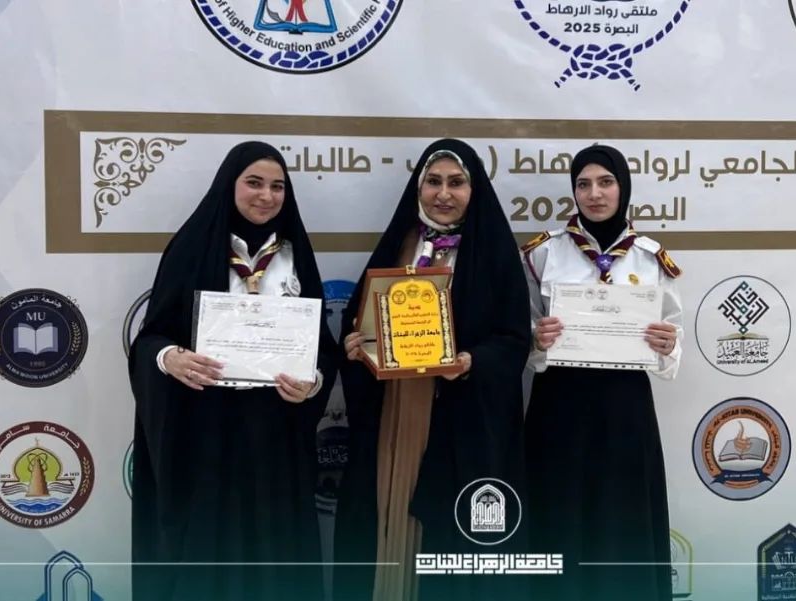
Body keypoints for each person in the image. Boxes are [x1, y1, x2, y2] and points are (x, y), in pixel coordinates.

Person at [128, 141, 338, 601]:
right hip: (207, 428)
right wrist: (170, 358)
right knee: (208, 546)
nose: (266, 196)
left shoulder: (295, 255)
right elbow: (150, 338)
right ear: (230, 185)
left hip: (276, 430)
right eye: (254, 183)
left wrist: (313, 382)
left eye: (278, 187)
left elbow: (322, 347)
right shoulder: (192, 248)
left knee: (276, 545)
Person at [334, 139, 530, 601]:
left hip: (462, 419)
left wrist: (472, 362)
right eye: (434, 182)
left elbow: (513, 339)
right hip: (397, 415)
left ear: (473, 190)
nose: (444, 194)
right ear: (418, 188)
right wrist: (355, 345)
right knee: (389, 510)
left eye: (456, 183)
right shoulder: (399, 246)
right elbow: (360, 321)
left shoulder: (493, 252)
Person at [522, 144, 683, 601]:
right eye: (583, 184)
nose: (594, 194)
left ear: (623, 188)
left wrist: (667, 346)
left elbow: (674, 336)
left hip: (624, 408)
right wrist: (537, 339)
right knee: (560, 516)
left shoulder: (651, 258)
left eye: (606, 182)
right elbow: (522, 330)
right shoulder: (543, 254)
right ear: (573, 191)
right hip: (559, 406)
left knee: (623, 519)